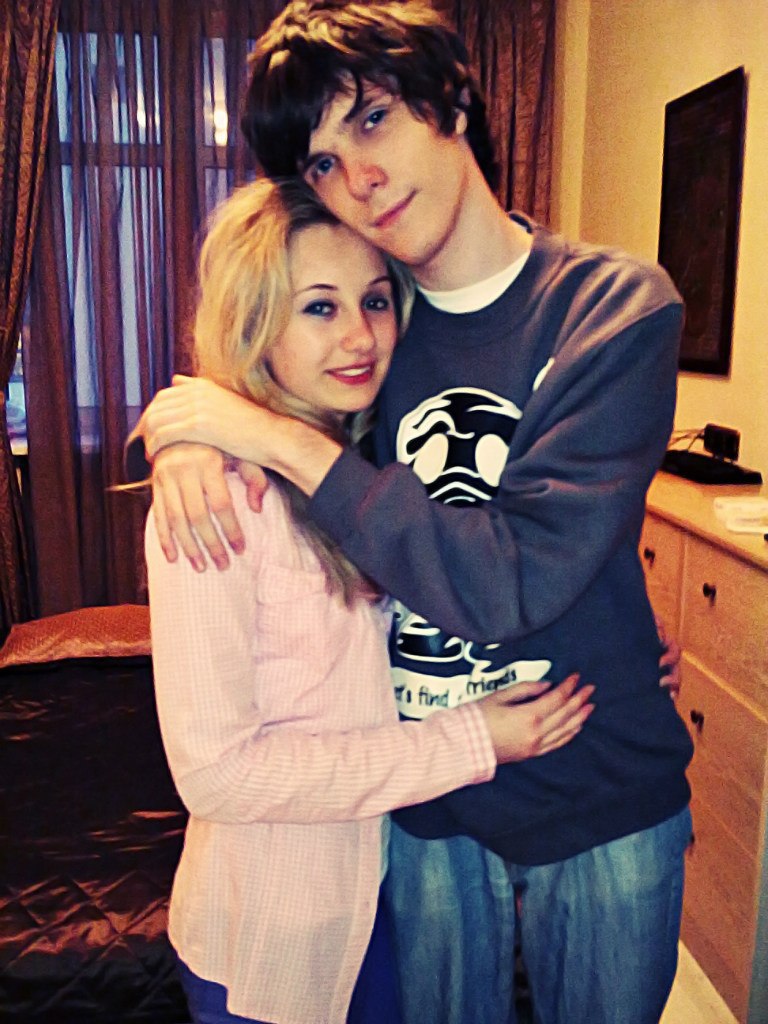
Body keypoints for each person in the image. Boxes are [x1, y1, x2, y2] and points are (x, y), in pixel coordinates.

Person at [133, 3, 693, 1022]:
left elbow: (518, 572)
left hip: (599, 778)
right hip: (423, 808)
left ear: (452, 103)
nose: (360, 178)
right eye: (322, 163)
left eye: (374, 119)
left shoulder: (614, 308)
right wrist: (191, 437)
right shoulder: (372, 327)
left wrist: (249, 433)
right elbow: (262, 393)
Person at [146, 175, 595, 1024]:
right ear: (254, 321)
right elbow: (216, 774)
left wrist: (606, 643)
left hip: (380, 898)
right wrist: (471, 740)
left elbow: (482, 569)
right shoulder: (222, 501)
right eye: (319, 307)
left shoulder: (371, 463)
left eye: (376, 301)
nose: (359, 336)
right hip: (274, 937)